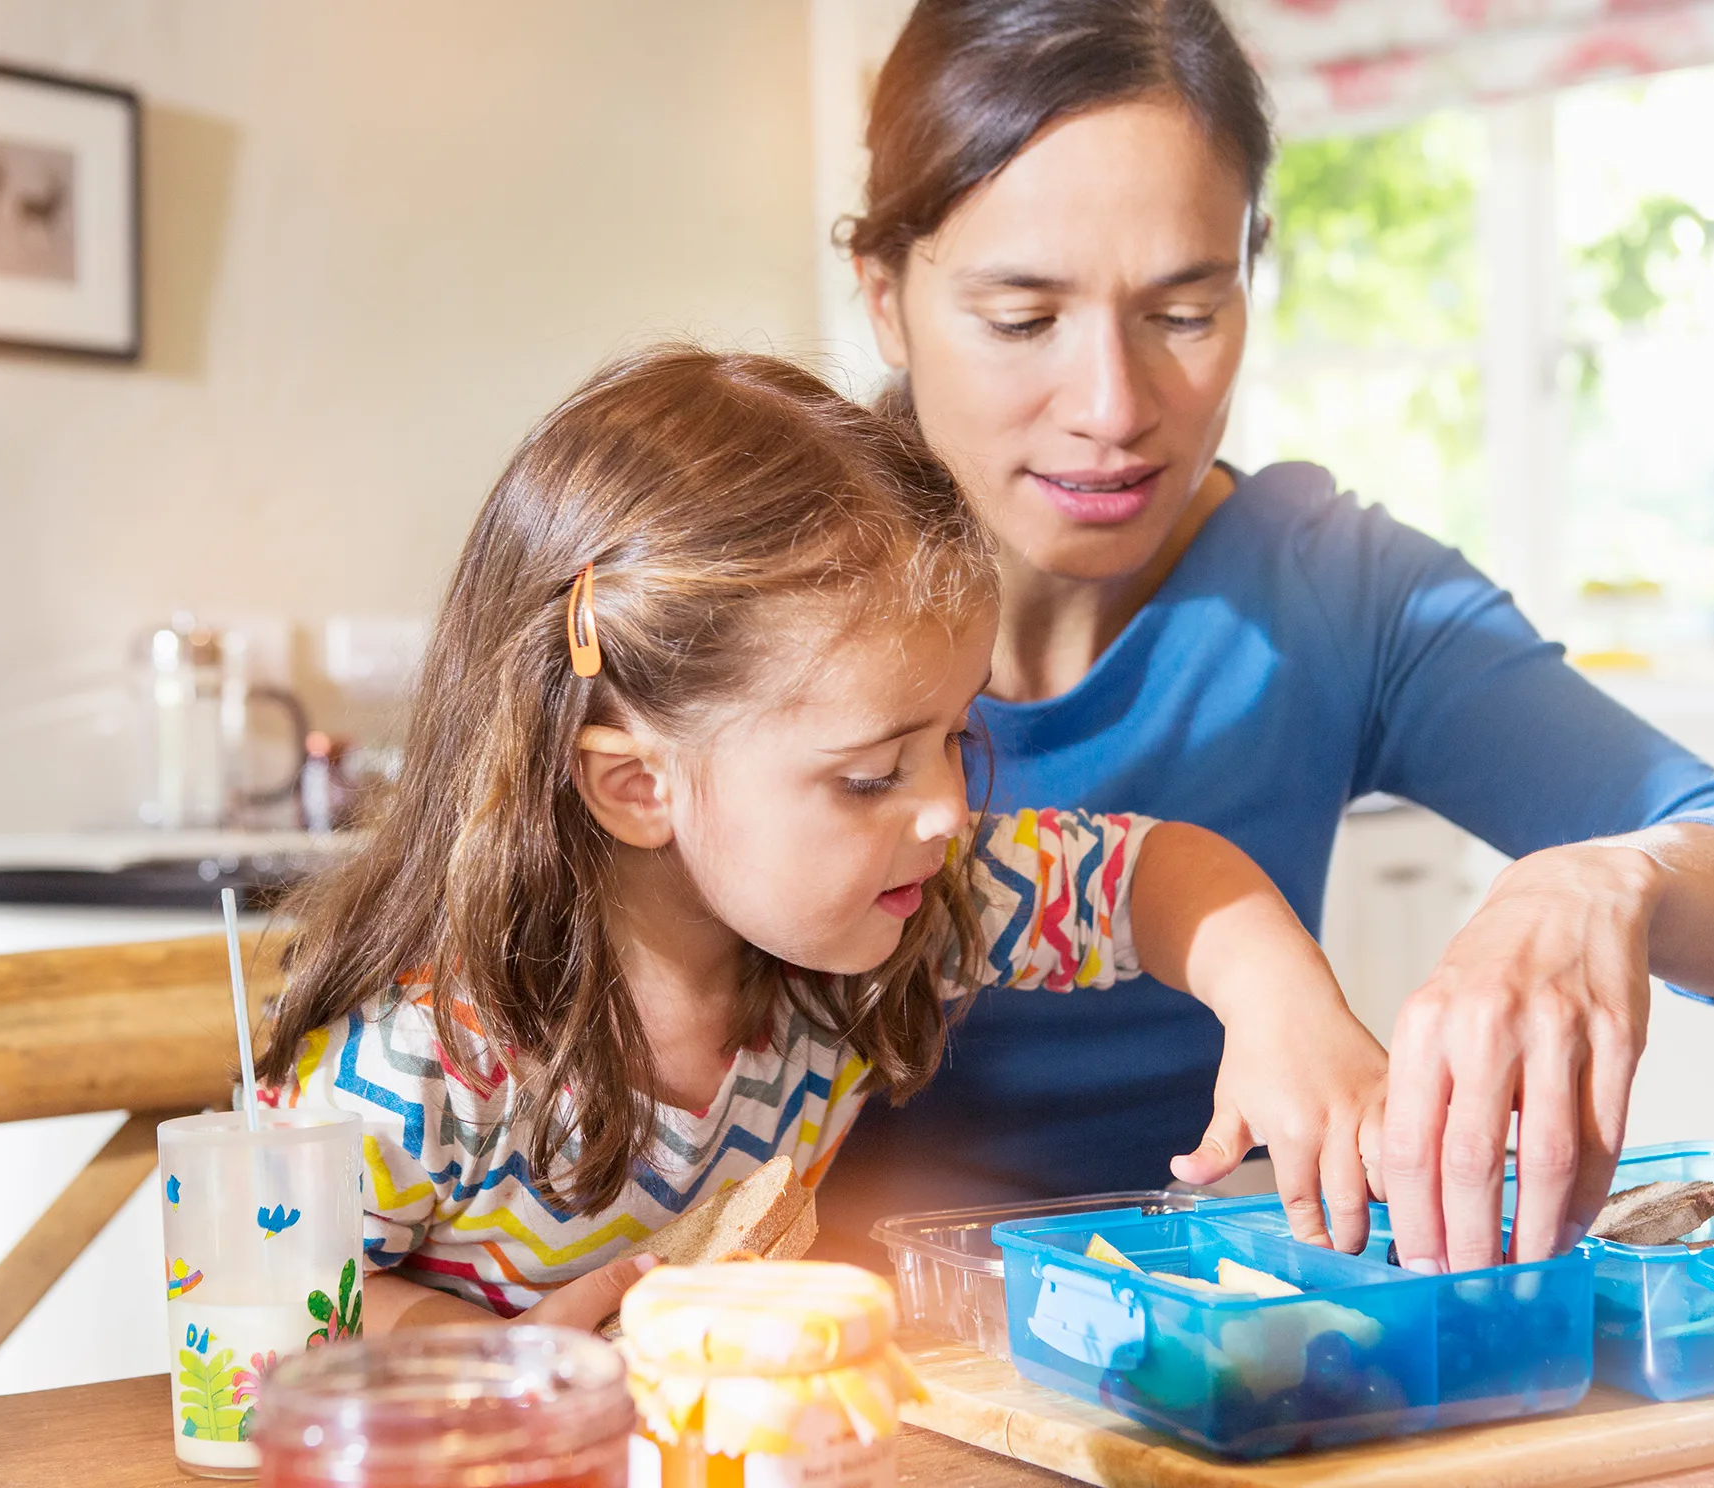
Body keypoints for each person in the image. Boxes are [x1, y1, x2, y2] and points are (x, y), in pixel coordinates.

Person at [822, 0, 1714, 1275]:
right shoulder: (747, 599)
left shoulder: (1334, 589)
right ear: (885, 295)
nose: (1112, 407)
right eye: (1022, 318)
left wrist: (1614, 879)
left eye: (1184, 312)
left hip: (1203, 1365)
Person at [254, 345, 1389, 1331]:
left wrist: (1282, 1003)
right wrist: (457, 1354)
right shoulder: (420, 1062)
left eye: (953, 736)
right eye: (869, 775)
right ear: (639, 786)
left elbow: (1152, 872)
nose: (947, 807)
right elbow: (252, 1294)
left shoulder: (909, 902)